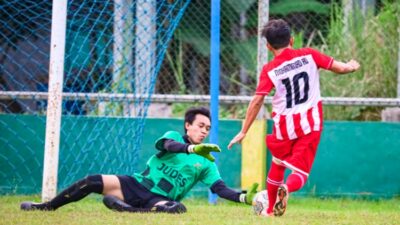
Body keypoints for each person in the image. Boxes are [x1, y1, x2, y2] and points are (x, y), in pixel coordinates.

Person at [228, 19, 360, 217]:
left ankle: (271, 210)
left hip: (284, 127)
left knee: (278, 164)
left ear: (268, 46)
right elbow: (339, 68)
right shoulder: (309, 55)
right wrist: (351, 66)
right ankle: (287, 189)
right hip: (310, 124)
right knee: (300, 172)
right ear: (291, 39)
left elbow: (257, 101)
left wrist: (244, 130)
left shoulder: (270, 70)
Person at [21, 107, 258, 213]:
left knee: (178, 209)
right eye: (200, 126)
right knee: (91, 180)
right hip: (134, 185)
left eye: (208, 128)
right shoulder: (175, 138)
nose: (204, 131)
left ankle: (128, 211)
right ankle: (46, 207)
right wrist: (191, 148)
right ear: (188, 125)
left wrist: (244, 197)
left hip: (159, 199)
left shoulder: (207, 162)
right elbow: (168, 146)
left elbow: (220, 189)